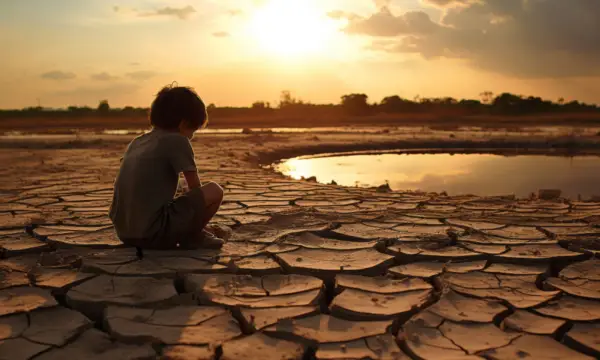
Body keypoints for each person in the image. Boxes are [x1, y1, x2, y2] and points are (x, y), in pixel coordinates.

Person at [109, 85, 225, 250]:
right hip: (152, 234)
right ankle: (194, 236)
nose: (191, 136)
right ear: (184, 123)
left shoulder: (138, 142)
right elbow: (195, 187)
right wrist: (197, 222)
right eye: (193, 130)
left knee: (181, 187)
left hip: (125, 233)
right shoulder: (177, 140)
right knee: (214, 190)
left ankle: (186, 231)